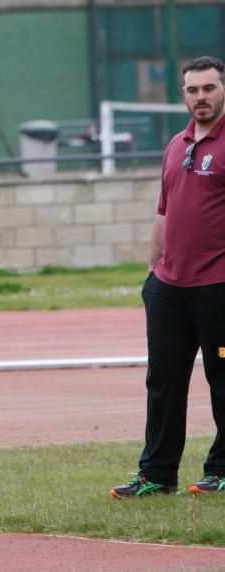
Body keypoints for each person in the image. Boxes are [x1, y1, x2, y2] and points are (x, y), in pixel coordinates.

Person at [111, 56, 225, 499]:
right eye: (193, 90)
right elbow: (163, 211)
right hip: (170, 290)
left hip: (217, 286)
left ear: (222, 90)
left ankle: (220, 470)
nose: (201, 97)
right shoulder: (177, 144)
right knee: (163, 380)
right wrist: (152, 277)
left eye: (209, 88)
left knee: (223, 378)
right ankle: (157, 475)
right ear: (183, 95)